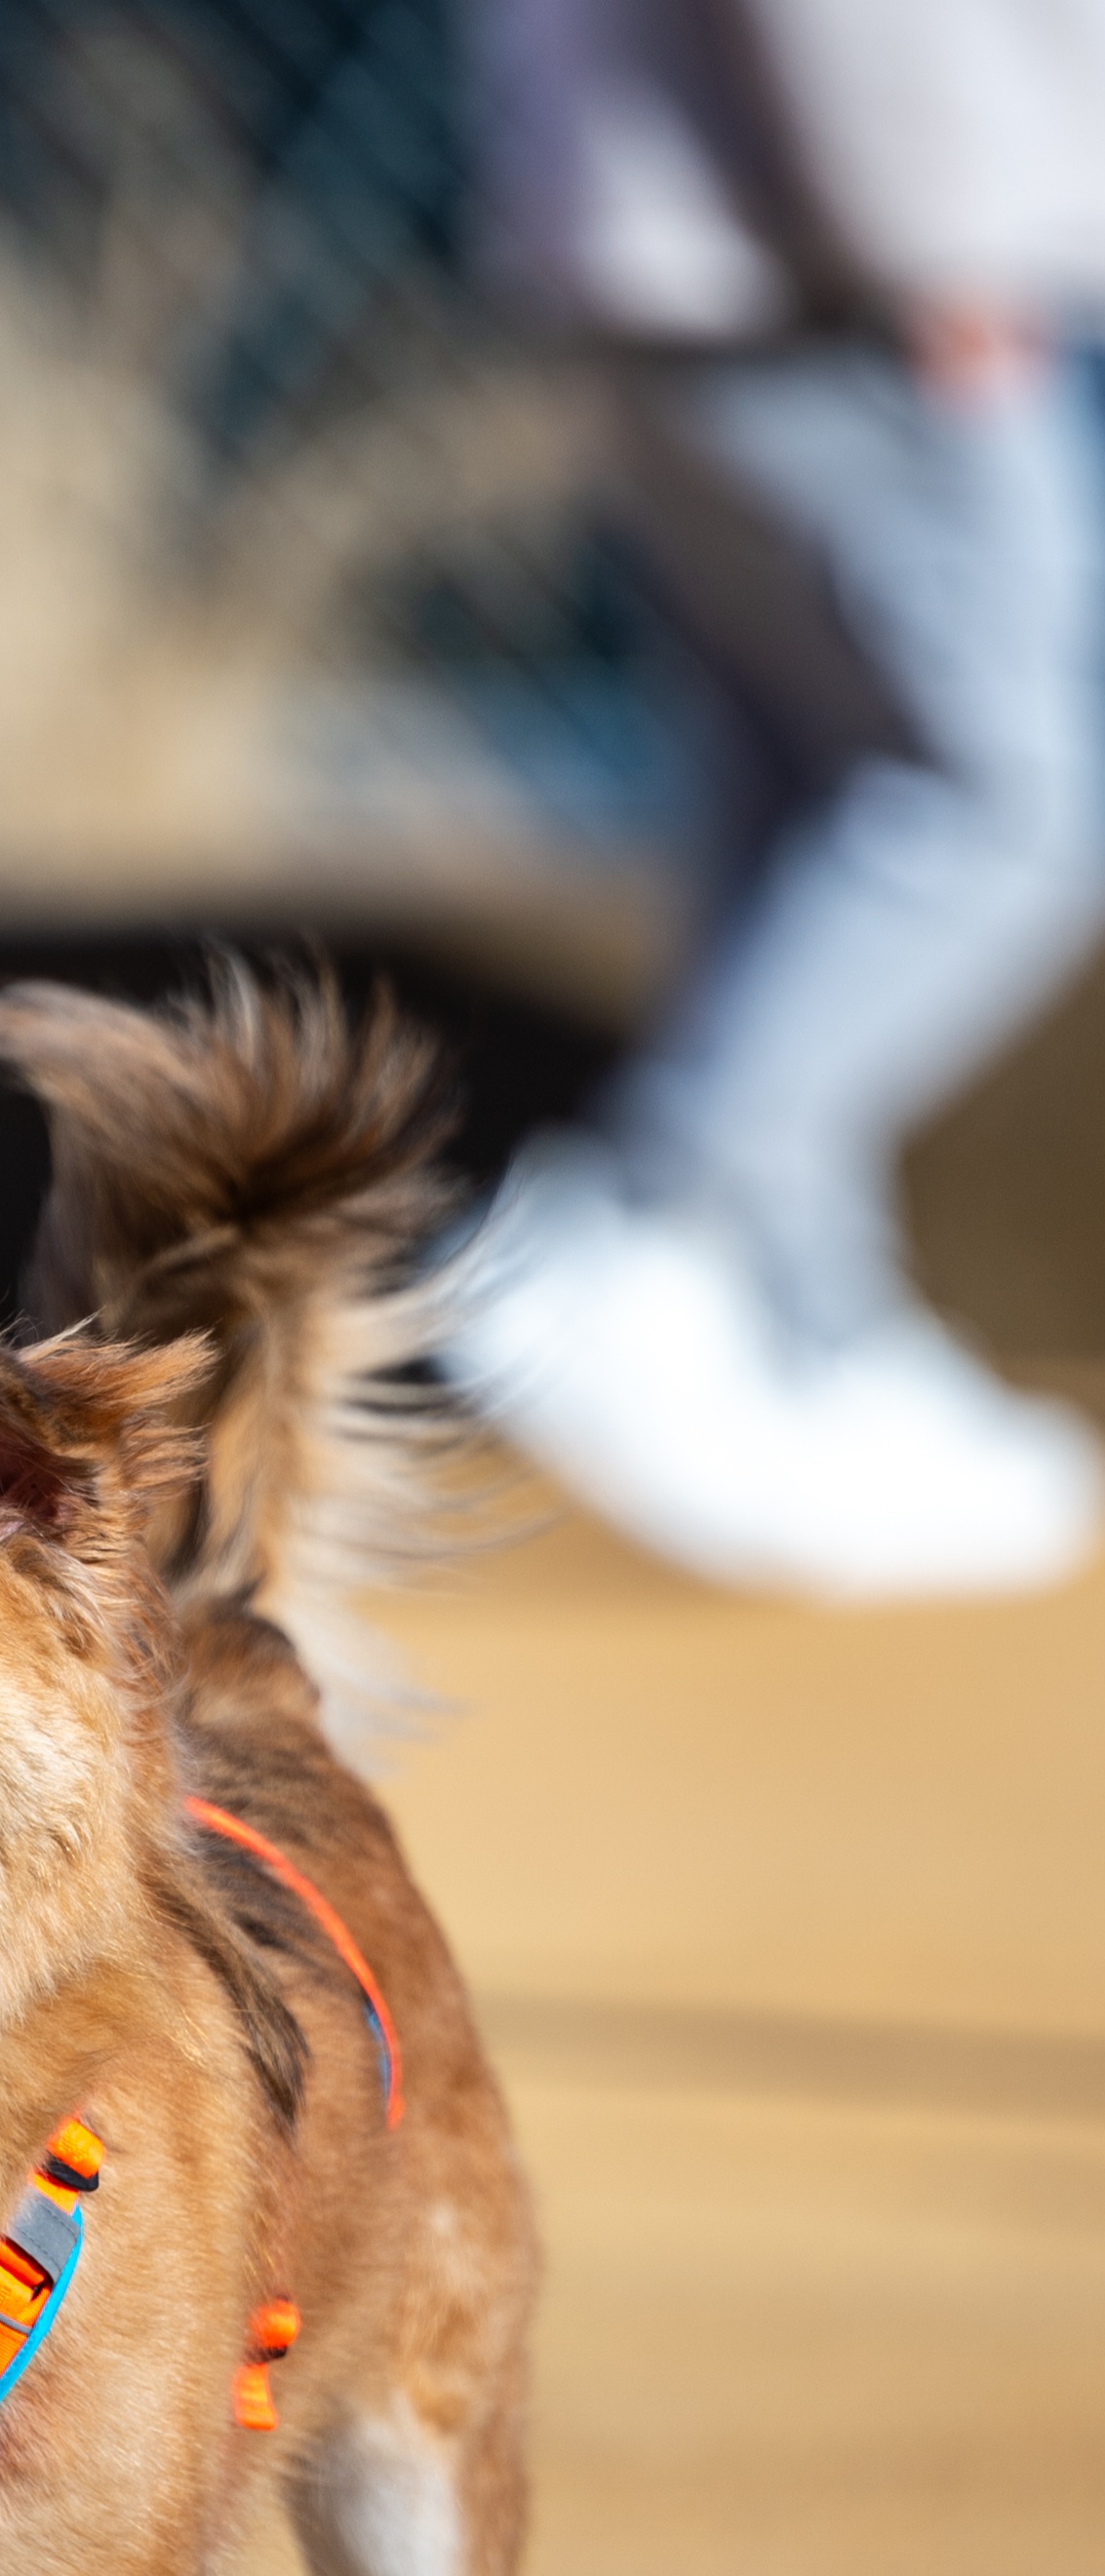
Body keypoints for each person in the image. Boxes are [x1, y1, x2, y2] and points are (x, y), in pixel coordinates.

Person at [454, 0, 1105, 1596]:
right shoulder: (908, 238)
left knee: (805, 789)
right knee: (1003, 797)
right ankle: (644, 1222)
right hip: (849, 272)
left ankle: (809, 1330)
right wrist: (941, 242)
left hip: (680, 246)